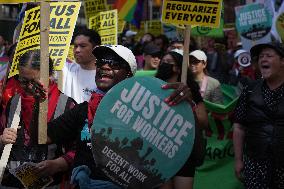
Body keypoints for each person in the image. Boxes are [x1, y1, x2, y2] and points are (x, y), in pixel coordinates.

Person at [46, 45, 195, 189]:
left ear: (129, 74)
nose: (105, 67)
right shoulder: (83, 110)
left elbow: (193, 152)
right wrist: (34, 100)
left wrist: (185, 108)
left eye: (114, 64)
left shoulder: (147, 112)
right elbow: (44, 136)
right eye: (101, 63)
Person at [0, 49, 77, 188]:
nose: (29, 87)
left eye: (34, 82)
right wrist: (1, 139)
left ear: (49, 75)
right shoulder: (13, 102)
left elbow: (80, 148)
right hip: (13, 183)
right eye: (23, 81)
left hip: (54, 183)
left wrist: (59, 164)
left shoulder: (68, 106)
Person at [233, 41, 284, 189]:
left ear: (282, 61)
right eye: (261, 56)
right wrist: (238, 160)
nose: (263, 59)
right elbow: (238, 127)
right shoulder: (249, 89)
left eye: (269, 55)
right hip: (256, 163)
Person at [156, 49, 208, 189]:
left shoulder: (189, 90)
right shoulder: (152, 86)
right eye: (163, 62)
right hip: (157, 150)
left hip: (183, 150)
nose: (164, 64)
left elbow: (203, 121)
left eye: (169, 62)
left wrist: (189, 104)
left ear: (178, 68)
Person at [63, 29, 101, 103]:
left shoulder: (104, 78)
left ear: (96, 49)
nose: (77, 50)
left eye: (82, 46)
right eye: (75, 46)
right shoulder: (67, 69)